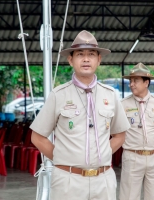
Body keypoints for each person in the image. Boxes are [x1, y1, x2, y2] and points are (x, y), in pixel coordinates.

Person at [30, 30, 130, 200]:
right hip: (68, 181)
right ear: (70, 60)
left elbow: (120, 135)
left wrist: (102, 155)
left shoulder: (110, 95)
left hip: (103, 180)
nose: (86, 59)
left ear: (99, 59)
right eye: (80, 54)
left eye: (91, 54)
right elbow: (37, 137)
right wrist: (63, 158)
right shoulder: (58, 95)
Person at [119, 63, 154, 200]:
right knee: (129, 196)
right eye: (130, 81)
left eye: (135, 81)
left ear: (146, 82)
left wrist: (152, 142)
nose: (131, 84)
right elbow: (116, 131)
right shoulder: (123, 104)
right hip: (132, 155)